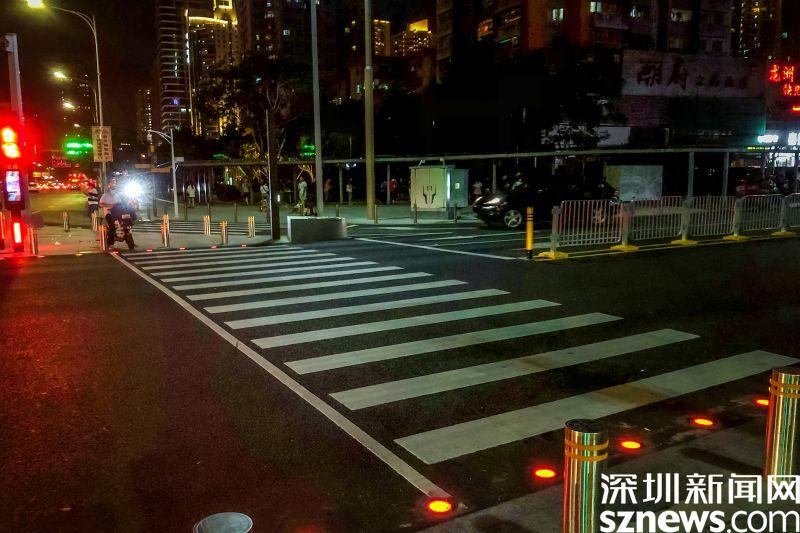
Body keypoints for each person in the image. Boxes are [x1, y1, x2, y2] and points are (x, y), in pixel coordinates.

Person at [99, 179, 120, 249]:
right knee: (112, 227)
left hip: (117, 213)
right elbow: (101, 204)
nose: (114, 185)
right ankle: (110, 243)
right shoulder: (105, 195)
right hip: (109, 213)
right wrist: (110, 206)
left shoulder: (118, 195)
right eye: (112, 183)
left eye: (115, 183)